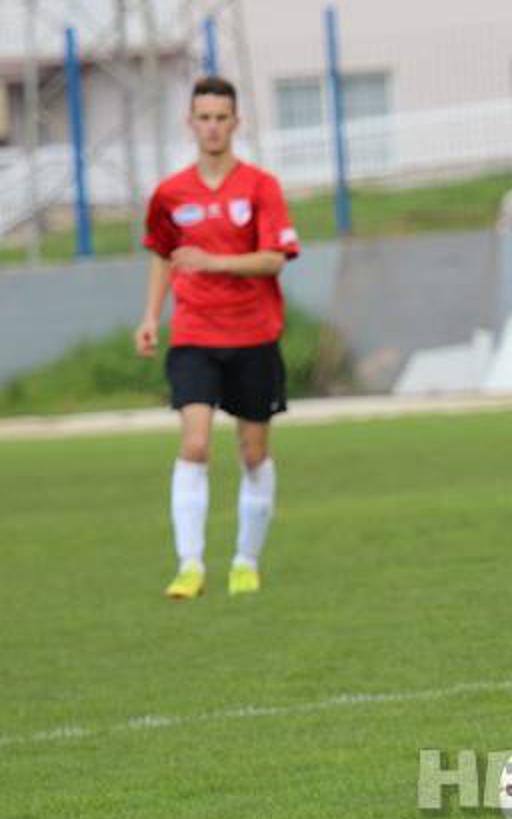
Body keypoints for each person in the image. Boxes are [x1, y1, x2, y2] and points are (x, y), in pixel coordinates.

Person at [134, 75, 299, 600]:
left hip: (253, 333)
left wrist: (214, 261)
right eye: (203, 118)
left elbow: (274, 259)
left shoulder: (260, 187)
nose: (212, 127)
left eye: (220, 118)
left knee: (252, 453)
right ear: (190, 123)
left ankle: (245, 561)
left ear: (235, 122)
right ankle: (190, 564)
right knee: (196, 443)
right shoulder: (170, 193)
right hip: (194, 333)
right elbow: (162, 254)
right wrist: (150, 316)